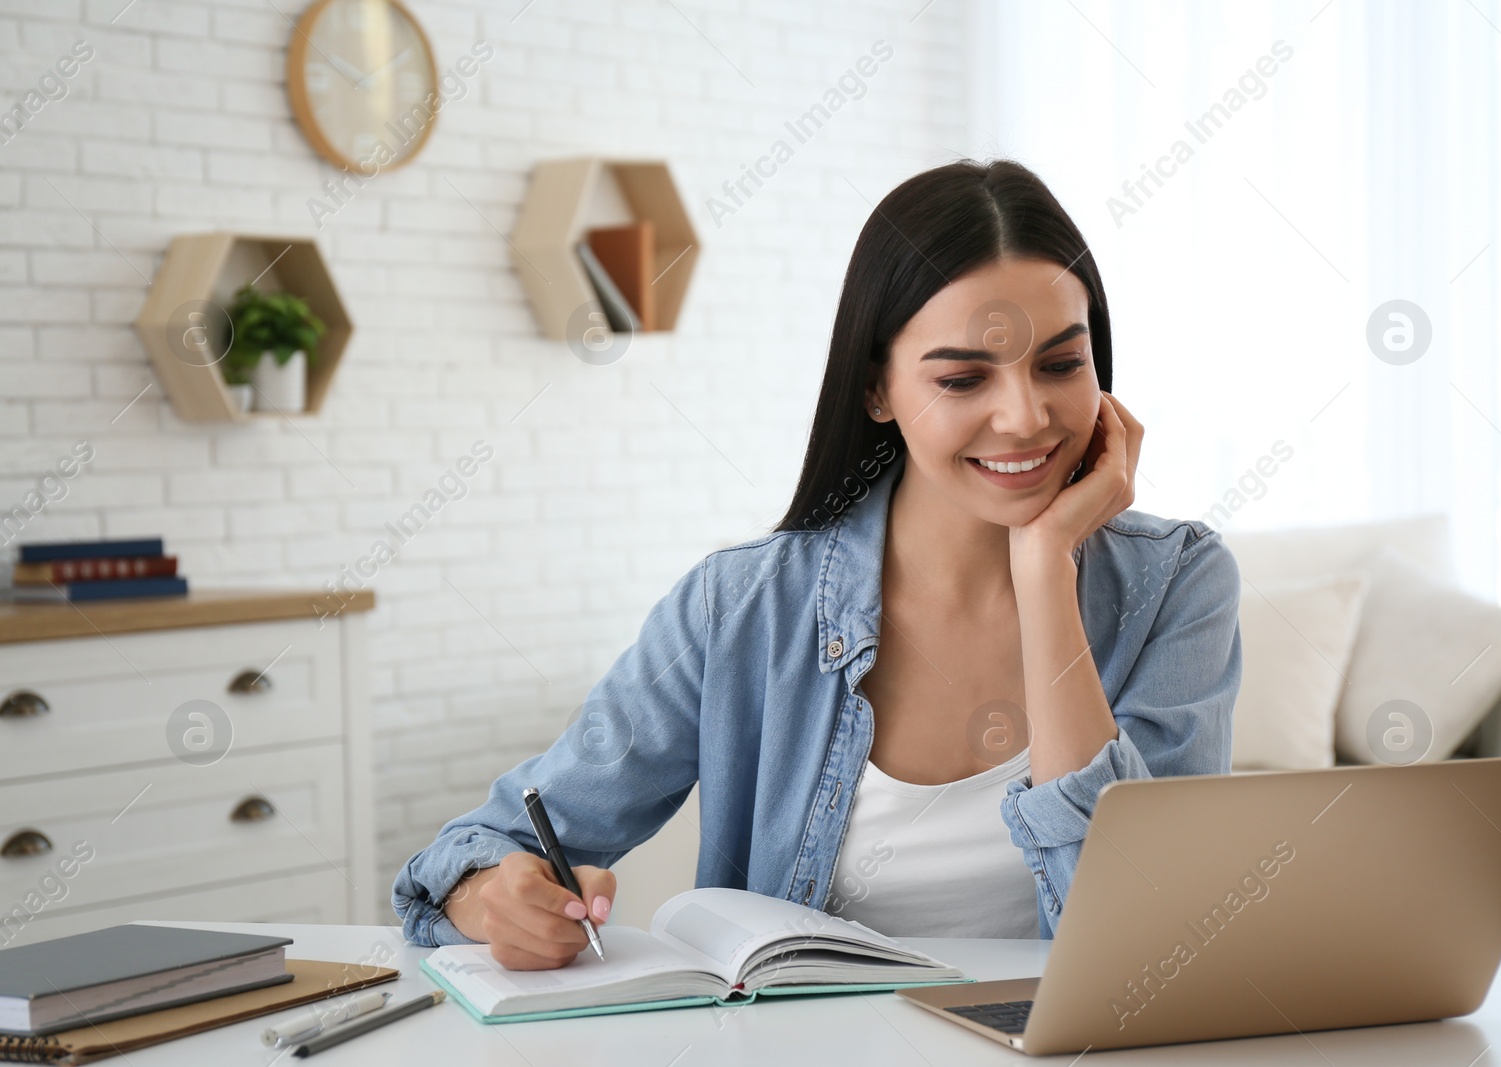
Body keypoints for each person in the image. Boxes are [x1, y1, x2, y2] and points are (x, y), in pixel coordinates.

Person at [392, 158, 1243, 969]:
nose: (1024, 417)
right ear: (877, 389)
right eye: (961, 379)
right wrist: (490, 896)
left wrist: (1047, 569)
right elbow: (485, 849)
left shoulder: (1177, 585)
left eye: (1061, 363)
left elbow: (1145, 933)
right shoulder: (742, 608)